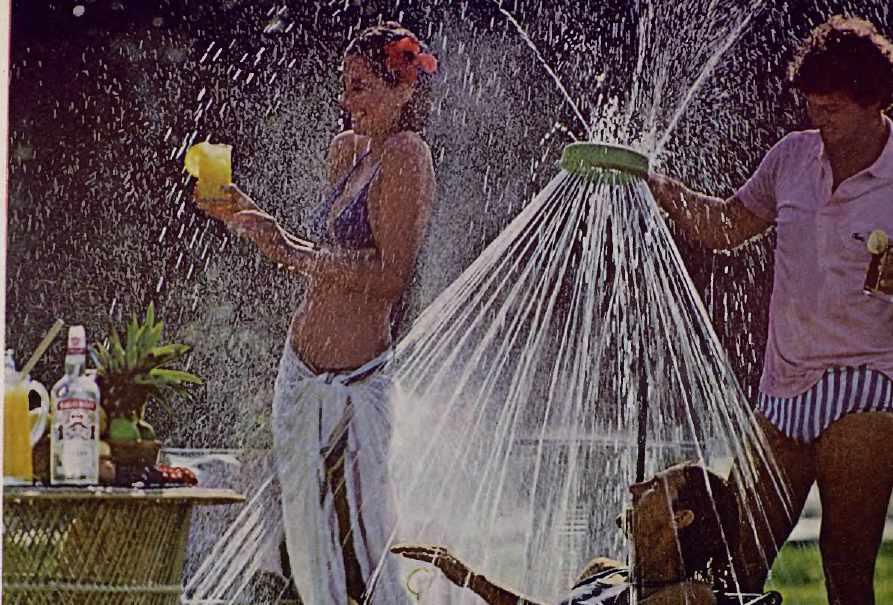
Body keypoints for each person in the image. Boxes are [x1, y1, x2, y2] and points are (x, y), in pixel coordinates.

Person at [646, 16, 893, 605]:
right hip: (782, 389)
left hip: (867, 384)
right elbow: (726, 226)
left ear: (876, 101)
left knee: (845, 566)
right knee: (735, 565)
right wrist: (656, 186)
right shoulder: (791, 157)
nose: (818, 119)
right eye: (812, 104)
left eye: (833, 108)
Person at [197, 22, 438, 604]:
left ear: (403, 89)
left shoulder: (407, 156)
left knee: (370, 544)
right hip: (299, 371)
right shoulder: (348, 151)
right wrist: (251, 217)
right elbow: (327, 260)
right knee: (303, 542)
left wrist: (290, 250)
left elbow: (390, 278)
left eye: (361, 87)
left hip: (357, 382)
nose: (347, 101)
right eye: (344, 87)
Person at [393, 463, 740, 605]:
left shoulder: (689, 596)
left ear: (680, 518)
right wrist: (468, 580)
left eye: (653, 486)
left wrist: (474, 581)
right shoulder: (602, 572)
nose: (634, 488)